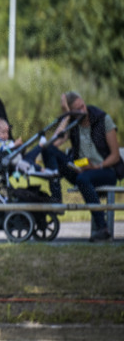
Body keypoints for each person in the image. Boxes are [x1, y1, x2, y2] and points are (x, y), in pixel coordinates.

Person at [40, 91, 123, 241]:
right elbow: (52, 143)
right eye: (77, 109)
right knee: (47, 149)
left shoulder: (103, 119)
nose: (83, 110)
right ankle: (57, 198)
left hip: (105, 169)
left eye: (82, 106)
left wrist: (96, 167)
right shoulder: (72, 123)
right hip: (81, 167)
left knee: (83, 179)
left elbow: (115, 156)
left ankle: (103, 228)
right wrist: (66, 116)